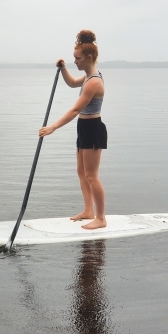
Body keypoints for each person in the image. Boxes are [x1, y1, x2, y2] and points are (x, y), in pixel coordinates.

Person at [39, 30, 107, 230]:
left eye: (77, 59)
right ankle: (88, 210)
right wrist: (63, 69)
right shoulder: (87, 77)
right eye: (73, 59)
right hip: (83, 127)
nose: (75, 61)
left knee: (92, 175)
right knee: (81, 172)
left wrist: (53, 127)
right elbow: (70, 83)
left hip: (93, 129)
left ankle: (101, 218)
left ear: (89, 57)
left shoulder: (94, 81)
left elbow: (76, 108)